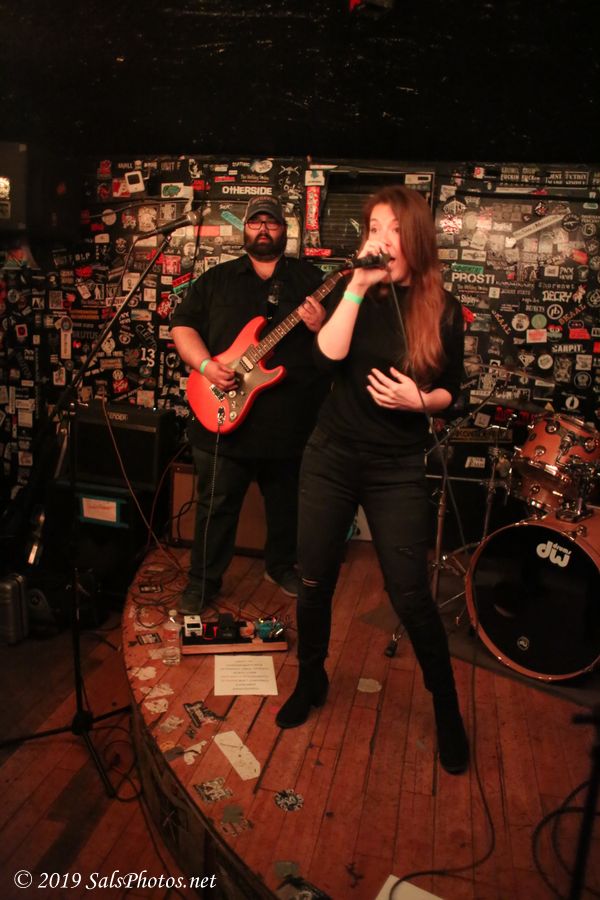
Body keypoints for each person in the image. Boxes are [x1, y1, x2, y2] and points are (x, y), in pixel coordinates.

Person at [276, 185, 469, 775]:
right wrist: (357, 286)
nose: (380, 239)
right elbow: (326, 360)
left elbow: (453, 391)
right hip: (332, 455)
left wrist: (422, 401)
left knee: (409, 594)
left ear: (415, 239)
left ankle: (447, 708)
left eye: (392, 229)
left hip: (396, 466)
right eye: (373, 228)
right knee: (314, 579)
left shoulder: (444, 309)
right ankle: (311, 679)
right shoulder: (354, 290)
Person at [170, 196, 328, 614]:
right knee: (215, 507)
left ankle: (281, 567)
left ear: (284, 231)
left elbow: (339, 345)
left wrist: (322, 326)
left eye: (271, 223)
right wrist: (206, 366)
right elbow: (182, 326)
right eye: (255, 222)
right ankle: (202, 582)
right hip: (221, 416)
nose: (263, 229)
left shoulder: (311, 281)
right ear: (245, 229)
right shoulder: (217, 279)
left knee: (287, 505)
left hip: (291, 422)